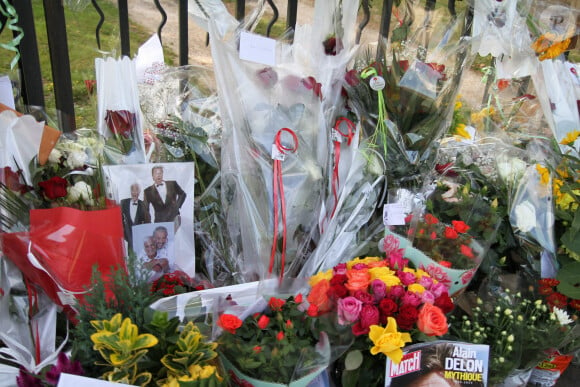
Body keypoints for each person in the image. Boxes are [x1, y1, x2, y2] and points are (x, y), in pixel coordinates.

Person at [120, 183, 151, 249]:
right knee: (131, 256)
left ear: (139, 192)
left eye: (136, 190)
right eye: (132, 190)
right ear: (130, 191)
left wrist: (144, 234)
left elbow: (148, 221)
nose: (134, 193)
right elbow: (119, 219)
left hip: (140, 237)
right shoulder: (123, 203)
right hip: (127, 236)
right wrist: (124, 232)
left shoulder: (143, 205)